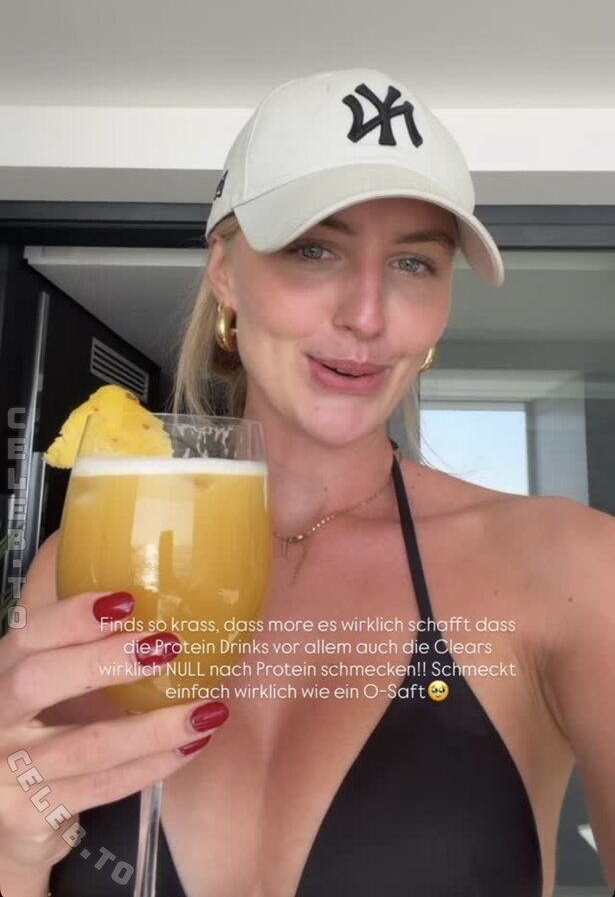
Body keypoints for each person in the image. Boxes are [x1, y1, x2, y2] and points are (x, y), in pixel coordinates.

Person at [1, 68, 613, 897]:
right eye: (313, 249)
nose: (366, 314)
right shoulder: (83, 568)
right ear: (225, 271)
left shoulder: (572, 566)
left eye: (413, 263)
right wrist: (12, 853)